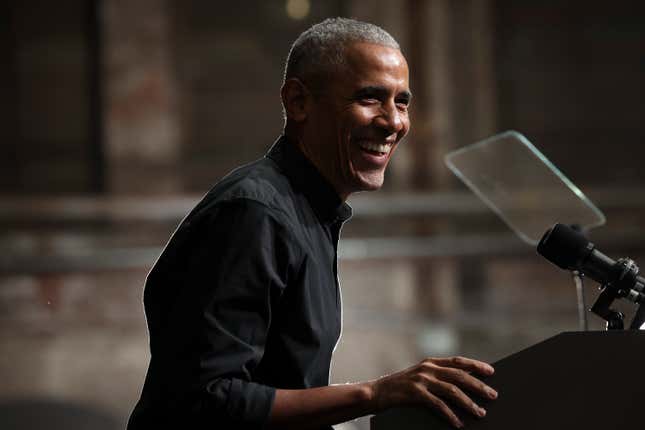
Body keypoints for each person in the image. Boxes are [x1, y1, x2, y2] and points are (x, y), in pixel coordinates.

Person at [127, 17, 497, 430]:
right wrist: (375, 394)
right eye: (370, 98)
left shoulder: (307, 211)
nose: (393, 121)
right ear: (298, 102)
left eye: (402, 101)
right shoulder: (254, 213)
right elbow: (204, 402)